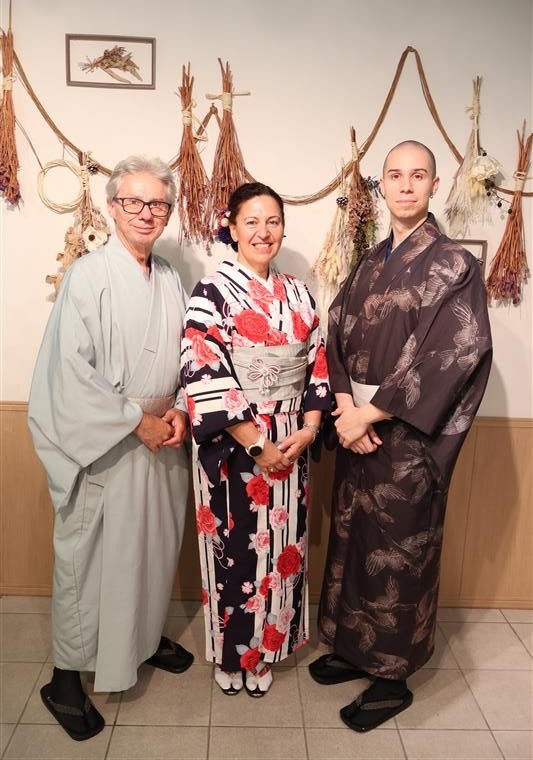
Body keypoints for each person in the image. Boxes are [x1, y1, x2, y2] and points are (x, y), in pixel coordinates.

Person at [309, 141, 492, 732]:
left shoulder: (454, 264)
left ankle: (391, 676)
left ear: (435, 185)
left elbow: (454, 353)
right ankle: (351, 647)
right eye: (395, 175)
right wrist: (344, 405)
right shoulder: (368, 261)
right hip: (355, 424)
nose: (406, 185)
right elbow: (334, 332)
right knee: (353, 540)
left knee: (400, 550)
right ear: (382, 185)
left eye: (418, 175)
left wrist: (372, 414)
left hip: (407, 438)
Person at [28, 155, 194, 741]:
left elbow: (189, 355)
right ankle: (65, 679)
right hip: (109, 440)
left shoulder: (170, 277)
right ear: (112, 207)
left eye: (158, 204)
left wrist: (179, 408)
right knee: (91, 557)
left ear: (169, 212)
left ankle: (140, 641)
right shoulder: (88, 275)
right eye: (133, 202)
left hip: (163, 438)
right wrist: (133, 421)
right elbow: (69, 371)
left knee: (150, 551)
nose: (146, 213)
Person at [180, 182, 330, 697]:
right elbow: (204, 371)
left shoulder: (300, 292)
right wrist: (255, 444)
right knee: (235, 552)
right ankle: (231, 653)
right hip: (235, 446)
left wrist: (310, 428)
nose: (263, 232)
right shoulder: (211, 291)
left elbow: (317, 363)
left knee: (283, 549)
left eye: (273, 222)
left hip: (292, 441)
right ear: (232, 227)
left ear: (283, 227)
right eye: (252, 222)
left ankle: (267, 651)